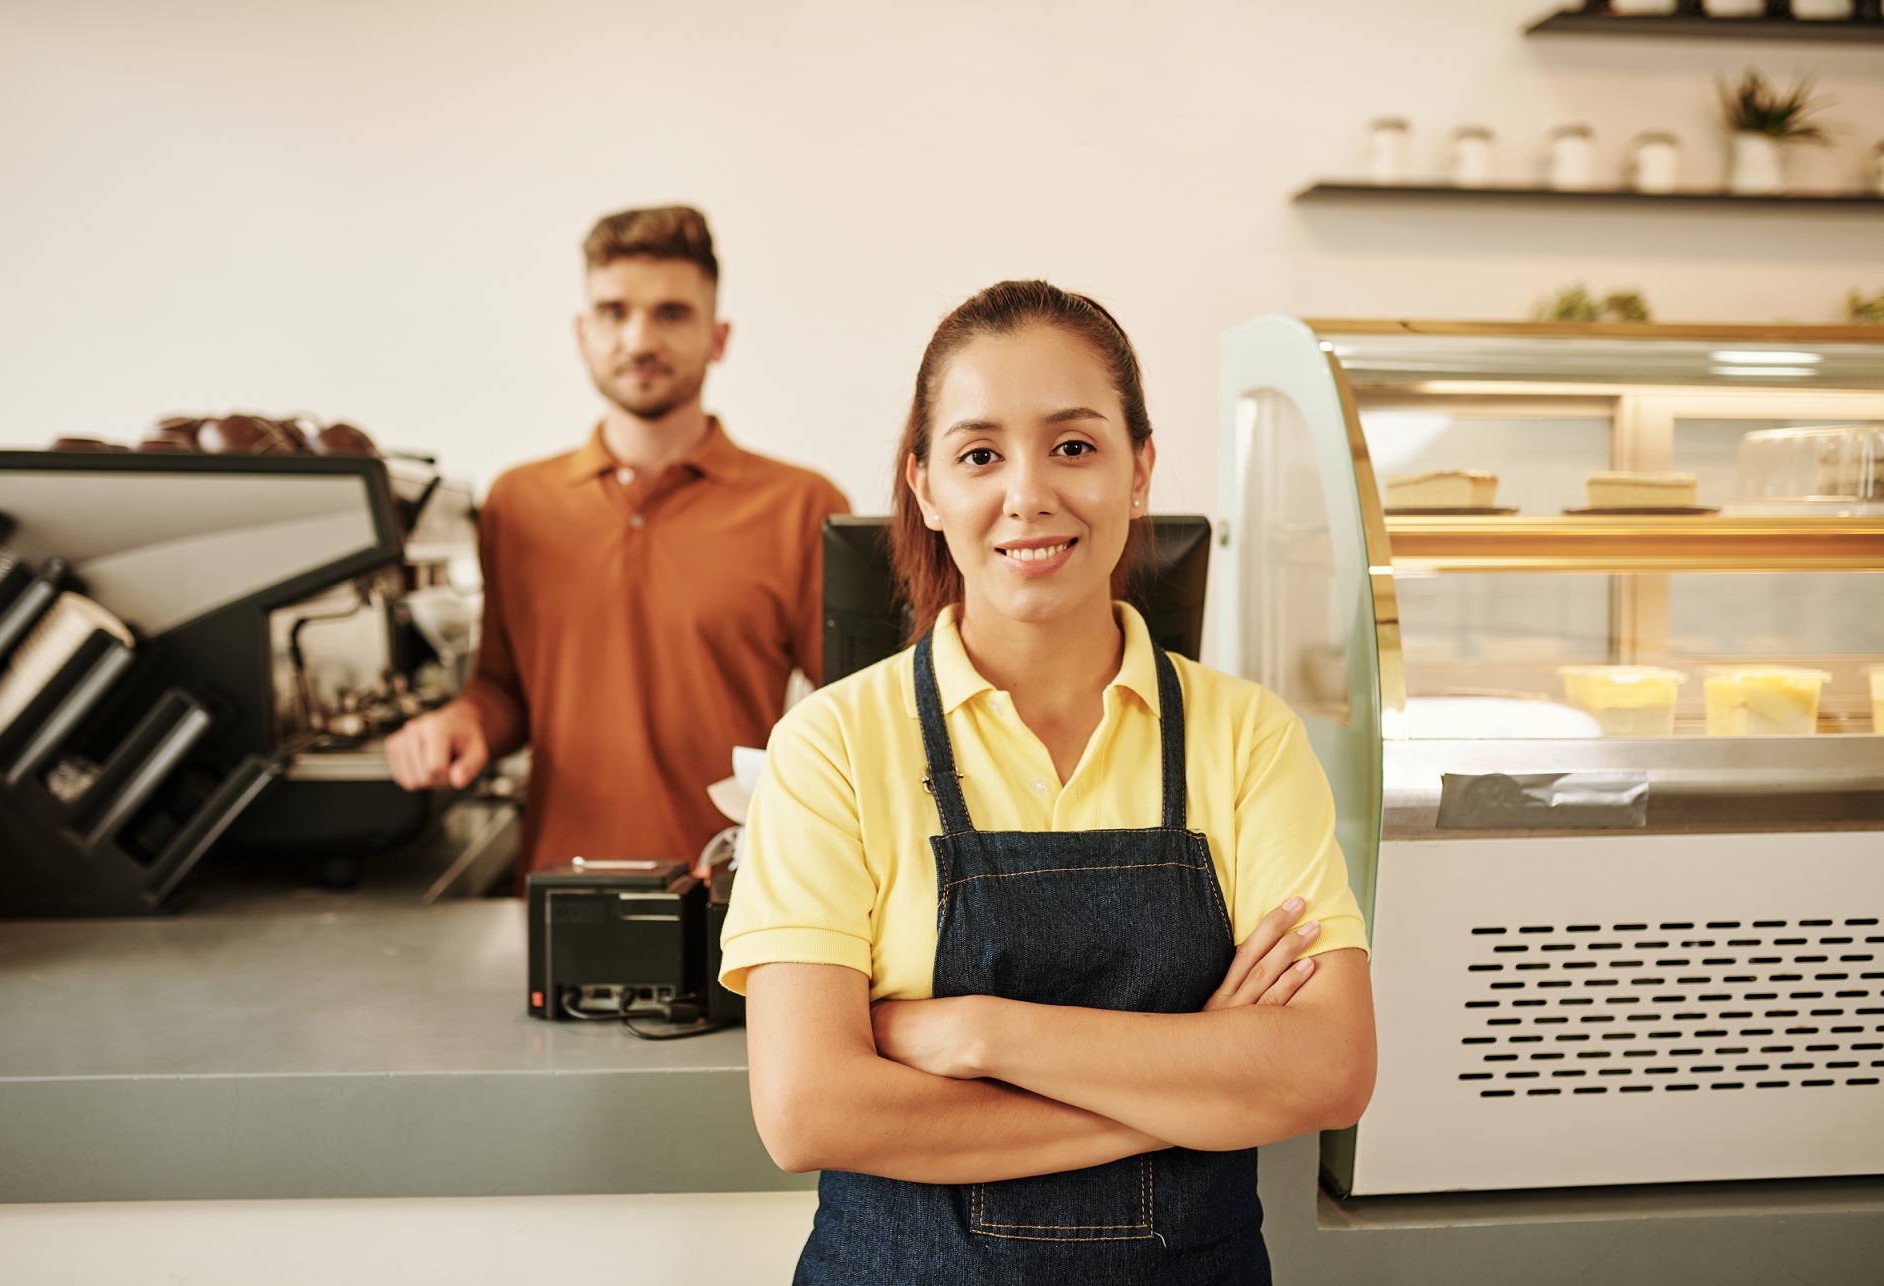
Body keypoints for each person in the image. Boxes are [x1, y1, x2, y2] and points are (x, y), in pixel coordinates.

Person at [719, 281, 1375, 1283]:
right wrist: (1188, 1078)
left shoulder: (1245, 739)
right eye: (979, 454)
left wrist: (982, 1032)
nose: (1027, 492)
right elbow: (808, 1109)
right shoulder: (830, 748)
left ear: (1139, 467)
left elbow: (1328, 1068)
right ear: (926, 487)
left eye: (1073, 445)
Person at [385, 206, 849, 875]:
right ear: (582, 332)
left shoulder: (803, 505)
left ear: (718, 338)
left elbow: (858, 711)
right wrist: (463, 721)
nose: (638, 339)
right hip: (558, 891)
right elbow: (505, 689)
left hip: (734, 898)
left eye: (671, 314)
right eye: (613, 312)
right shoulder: (517, 503)